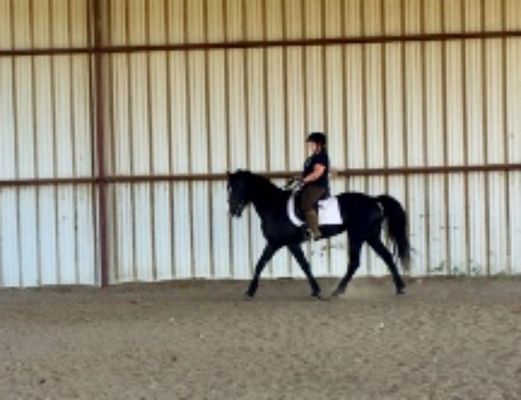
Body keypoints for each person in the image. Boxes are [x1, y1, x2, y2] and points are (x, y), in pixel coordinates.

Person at [300, 132, 330, 240]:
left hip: (318, 187)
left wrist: (303, 180)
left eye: (312, 143)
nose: (310, 146)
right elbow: (307, 172)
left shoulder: (321, 157)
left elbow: (317, 173)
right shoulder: (312, 157)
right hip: (309, 185)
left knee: (306, 203)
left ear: (319, 144)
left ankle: (315, 231)